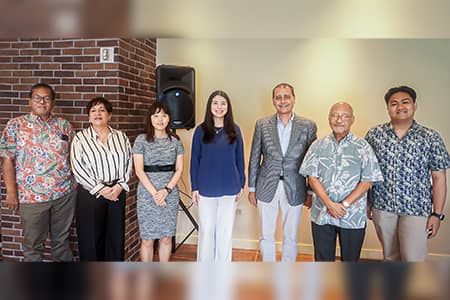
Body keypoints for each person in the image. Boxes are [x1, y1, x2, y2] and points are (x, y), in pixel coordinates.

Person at [365, 85, 450, 261]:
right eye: (394, 103)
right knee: (390, 256)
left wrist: (437, 214)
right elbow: (366, 172)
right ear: (388, 107)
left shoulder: (430, 137)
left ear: (414, 105)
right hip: (382, 205)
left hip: (417, 208)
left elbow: (439, 178)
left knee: (413, 258)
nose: (400, 107)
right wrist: (366, 202)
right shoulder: (375, 135)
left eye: (405, 102)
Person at [0, 82, 76, 261]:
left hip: (64, 194)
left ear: (53, 103)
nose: (42, 102)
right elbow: (6, 159)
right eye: (37, 98)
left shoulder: (64, 126)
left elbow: (75, 155)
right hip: (31, 196)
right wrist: (11, 192)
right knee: (33, 246)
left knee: (62, 242)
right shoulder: (15, 125)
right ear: (30, 101)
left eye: (47, 98)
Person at [299, 102, 383, 261]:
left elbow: (368, 181)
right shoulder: (318, 145)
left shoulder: (362, 146)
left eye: (345, 116)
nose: (339, 120)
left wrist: (343, 205)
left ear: (352, 120)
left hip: (352, 215)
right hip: (322, 213)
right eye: (335, 115)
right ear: (329, 118)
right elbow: (311, 177)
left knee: (351, 261)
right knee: (322, 260)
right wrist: (330, 204)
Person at [248, 82, 317, 262]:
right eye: (278, 97)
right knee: (266, 235)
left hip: (295, 186)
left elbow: (312, 162)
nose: (283, 101)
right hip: (266, 186)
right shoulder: (262, 124)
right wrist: (252, 188)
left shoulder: (308, 125)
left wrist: (310, 190)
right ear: (273, 101)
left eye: (287, 96)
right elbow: (255, 157)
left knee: (291, 236)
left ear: (294, 99)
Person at [70, 97, 132, 261]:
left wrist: (120, 185)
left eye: (102, 110)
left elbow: (128, 163)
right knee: (91, 238)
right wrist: (101, 189)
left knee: (115, 237)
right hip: (91, 194)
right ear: (89, 116)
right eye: (93, 111)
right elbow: (78, 168)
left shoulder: (121, 137)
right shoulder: (80, 138)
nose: (97, 114)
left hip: (117, 192)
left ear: (109, 115)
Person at [190, 90, 245, 262]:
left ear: (228, 107)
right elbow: (194, 160)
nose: (219, 107)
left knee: (225, 231)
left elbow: (240, 159)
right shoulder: (201, 130)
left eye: (223, 103)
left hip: (230, 188)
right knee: (207, 231)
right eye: (215, 103)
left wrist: (241, 184)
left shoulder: (235, 130)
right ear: (210, 106)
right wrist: (194, 187)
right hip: (206, 188)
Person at [132, 102, 184, 262]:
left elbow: (179, 169)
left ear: (169, 118)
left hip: (169, 194)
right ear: (150, 118)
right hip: (147, 194)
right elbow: (139, 170)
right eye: (156, 115)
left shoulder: (176, 141)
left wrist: (165, 191)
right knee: (147, 239)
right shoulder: (141, 140)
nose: (160, 119)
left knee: (166, 238)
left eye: (164, 115)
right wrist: (155, 193)